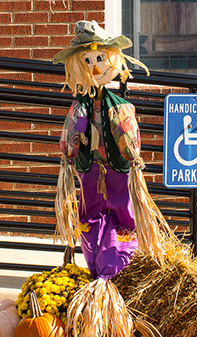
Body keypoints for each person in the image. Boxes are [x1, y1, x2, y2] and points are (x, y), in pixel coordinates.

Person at [53, 20, 172, 280]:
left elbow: (128, 136)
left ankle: (117, 268)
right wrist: (69, 154)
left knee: (123, 214)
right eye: (87, 61)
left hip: (117, 170)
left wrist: (132, 157)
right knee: (90, 217)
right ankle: (95, 267)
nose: (95, 66)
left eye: (99, 58)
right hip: (89, 170)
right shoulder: (79, 106)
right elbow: (70, 136)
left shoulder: (119, 106)